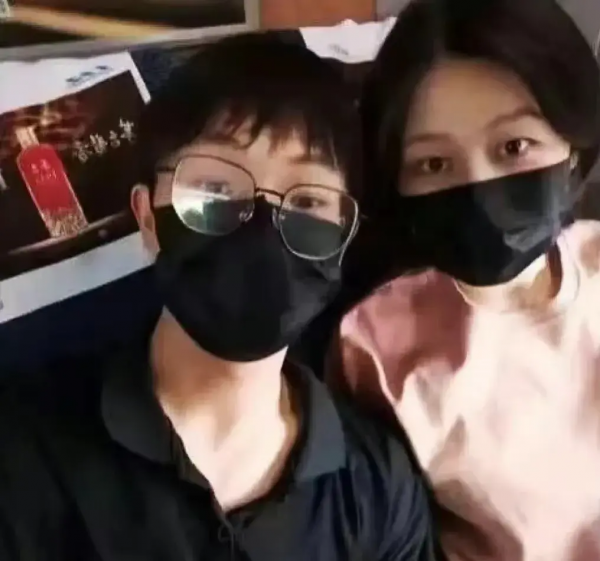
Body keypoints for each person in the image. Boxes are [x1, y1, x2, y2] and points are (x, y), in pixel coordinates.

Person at [0, 33, 438, 561]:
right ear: (147, 217)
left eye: (308, 200)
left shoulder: (379, 490)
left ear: (344, 240)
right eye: (215, 189)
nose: (262, 225)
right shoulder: (23, 448)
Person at [329, 0, 600, 559]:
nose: (481, 190)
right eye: (434, 164)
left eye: (513, 147)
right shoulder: (374, 346)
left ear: (572, 147)